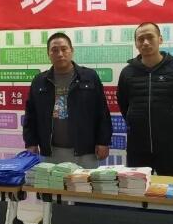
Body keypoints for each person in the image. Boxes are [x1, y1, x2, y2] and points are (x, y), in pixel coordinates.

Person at [116, 22, 173, 176]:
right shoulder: (127, 73)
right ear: (136, 43)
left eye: (150, 37)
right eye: (141, 39)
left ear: (160, 39)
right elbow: (124, 104)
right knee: (138, 188)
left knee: (172, 188)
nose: (145, 42)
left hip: (170, 147)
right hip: (137, 147)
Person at [23, 32, 112, 168]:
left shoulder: (89, 77)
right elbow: (31, 115)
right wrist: (31, 143)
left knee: (84, 182)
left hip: (85, 151)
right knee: (51, 183)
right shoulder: (39, 81)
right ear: (48, 54)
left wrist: (103, 141)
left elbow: (102, 112)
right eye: (54, 50)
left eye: (64, 49)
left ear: (72, 51)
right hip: (51, 152)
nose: (60, 54)